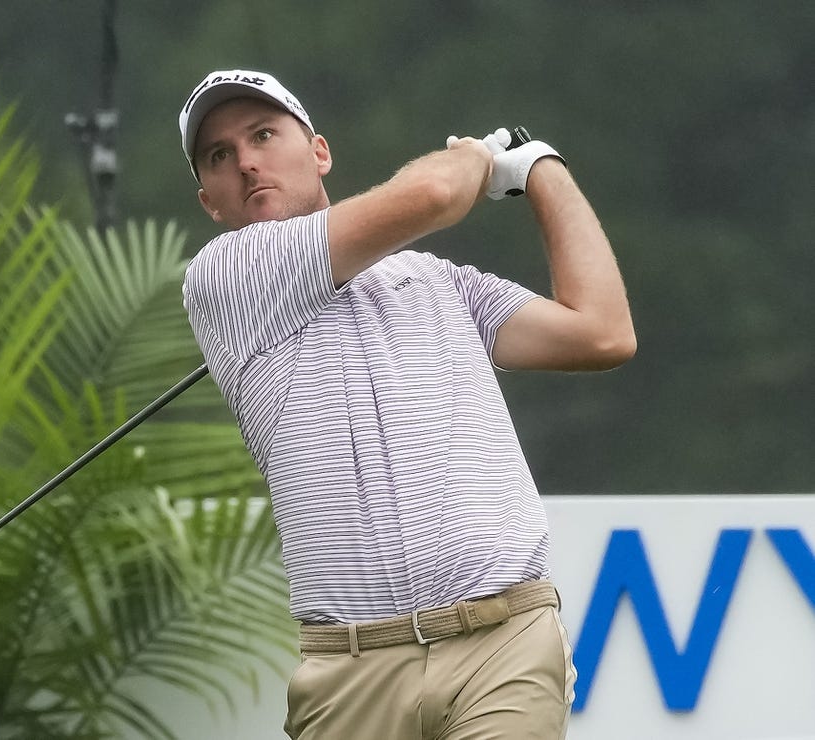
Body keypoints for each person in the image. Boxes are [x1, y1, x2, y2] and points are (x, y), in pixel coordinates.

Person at [177, 69, 635, 740]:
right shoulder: (226, 274)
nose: (247, 162)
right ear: (208, 200)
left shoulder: (442, 283)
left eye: (265, 134)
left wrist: (541, 168)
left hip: (501, 641)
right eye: (219, 155)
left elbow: (602, 331)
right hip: (351, 673)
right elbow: (432, 191)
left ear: (320, 152)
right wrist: (476, 159)